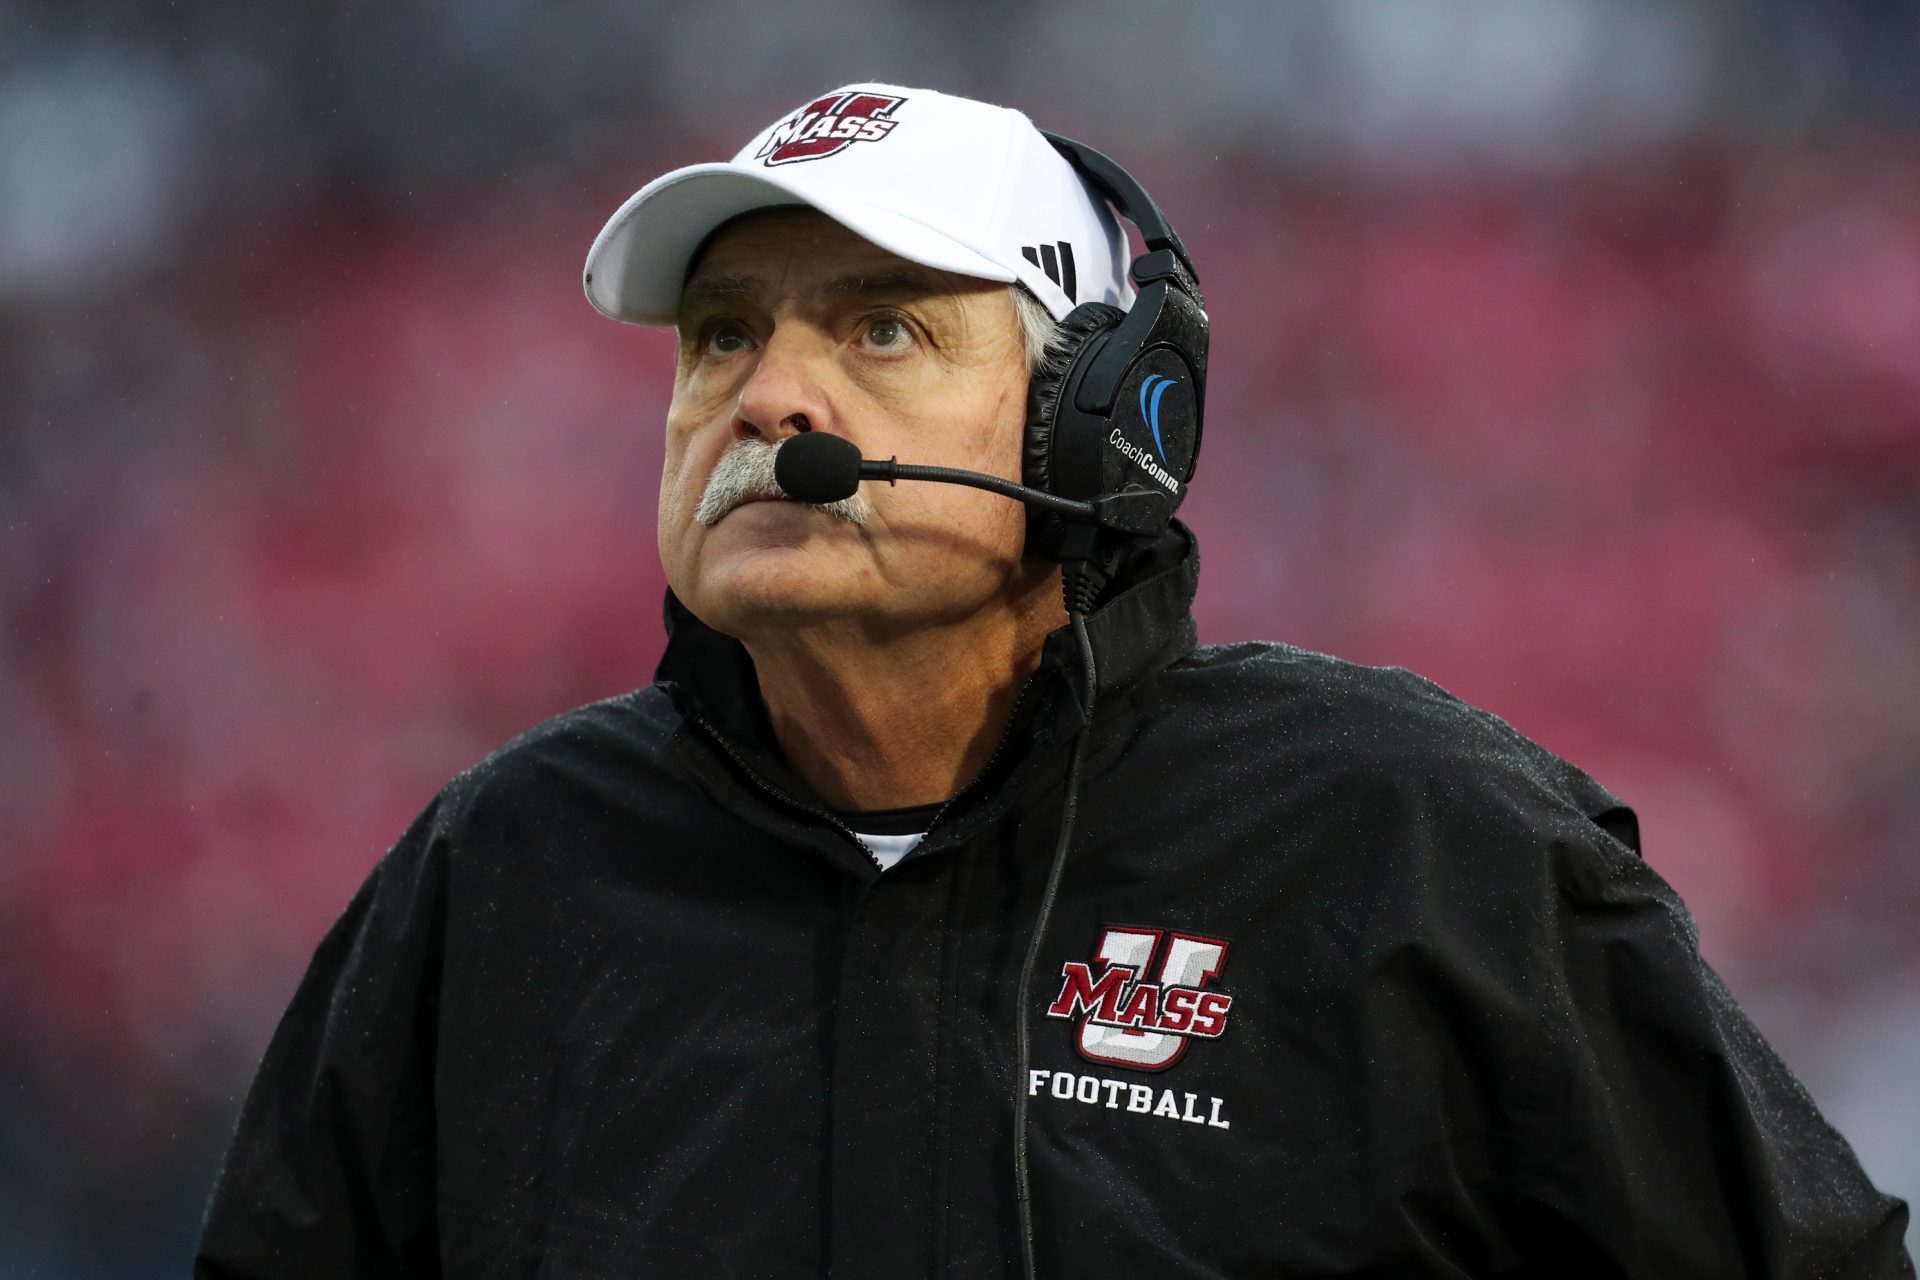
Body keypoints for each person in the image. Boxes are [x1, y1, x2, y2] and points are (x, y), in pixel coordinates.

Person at [195, 84, 1913, 1279]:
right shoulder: (499, 872)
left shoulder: (1415, 838)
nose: (765, 395)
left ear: (1110, 422)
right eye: (721, 333)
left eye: (882, 327)